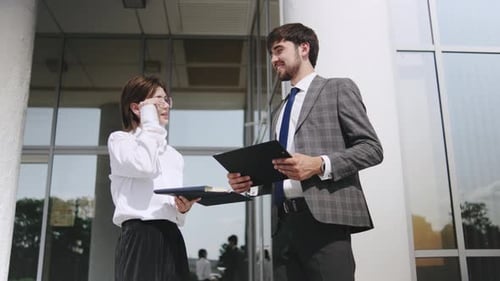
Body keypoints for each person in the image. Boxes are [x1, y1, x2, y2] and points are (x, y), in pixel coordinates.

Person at [227, 23, 383, 281]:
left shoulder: (337, 88)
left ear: (304, 48)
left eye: (278, 50)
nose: (273, 59)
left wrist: (320, 164)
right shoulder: (279, 110)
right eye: (271, 54)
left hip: (325, 222)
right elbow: (282, 170)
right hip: (283, 227)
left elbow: (372, 149)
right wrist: (249, 183)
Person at [108, 74, 199, 281]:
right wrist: (151, 122)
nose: (165, 105)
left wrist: (182, 209)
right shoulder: (120, 141)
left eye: (167, 99)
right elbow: (144, 165)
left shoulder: (174, 156)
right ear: (136, 108)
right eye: (157, 100)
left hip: (171, 235)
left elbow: (172, 206)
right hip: (139, 236)